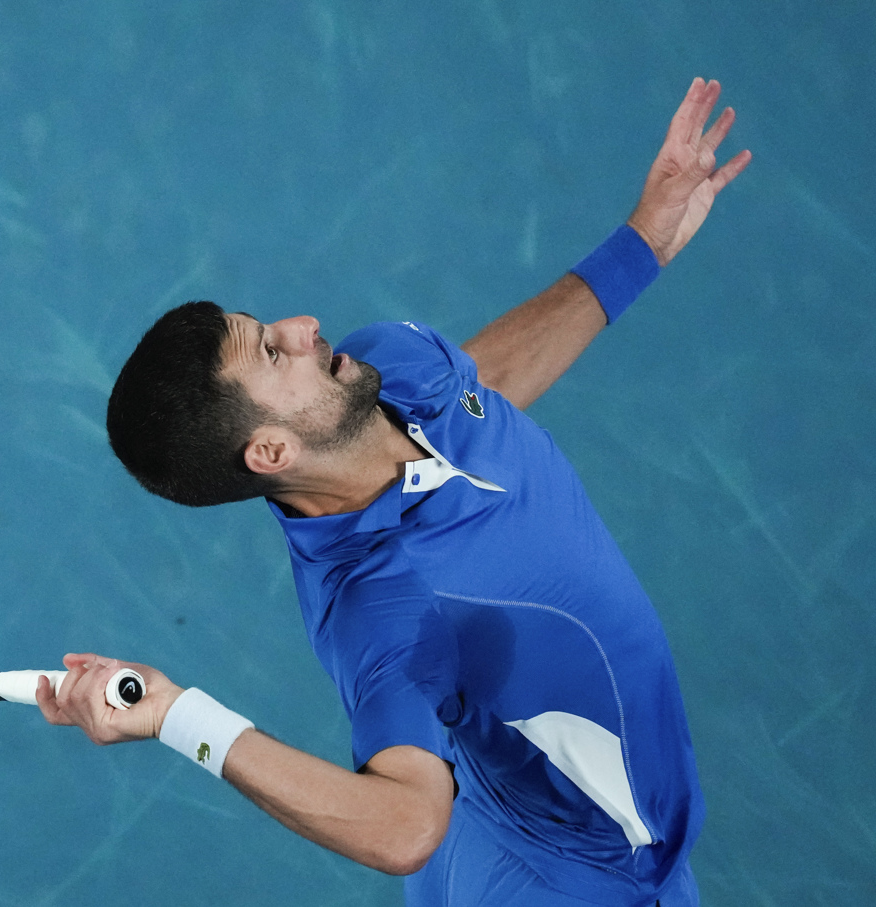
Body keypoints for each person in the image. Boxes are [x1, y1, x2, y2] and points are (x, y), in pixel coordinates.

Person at [36, 78, 751, 906]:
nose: (303, 326)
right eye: (274, 353)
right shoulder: (386, 605)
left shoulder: (387, 369)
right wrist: (175, 714)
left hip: (518, 803)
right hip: (578, 881)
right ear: (270, 449)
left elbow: (488, 388)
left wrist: (642, 245)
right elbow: (405, 826)